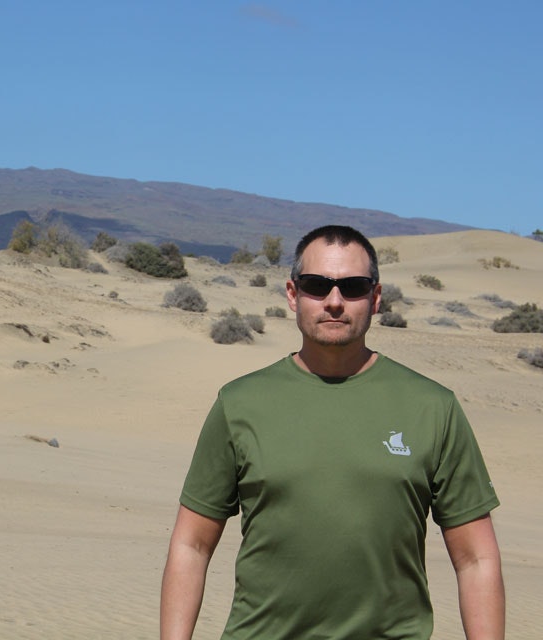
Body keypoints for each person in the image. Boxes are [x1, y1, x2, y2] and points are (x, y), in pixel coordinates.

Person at [161, 225, 504, 640]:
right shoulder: (239, 405)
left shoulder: (434, 408)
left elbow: (476, 559)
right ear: (293, 294)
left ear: (375, 298)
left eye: (353, 286)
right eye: (317, 285)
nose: (335, 302)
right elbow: (191, 546)